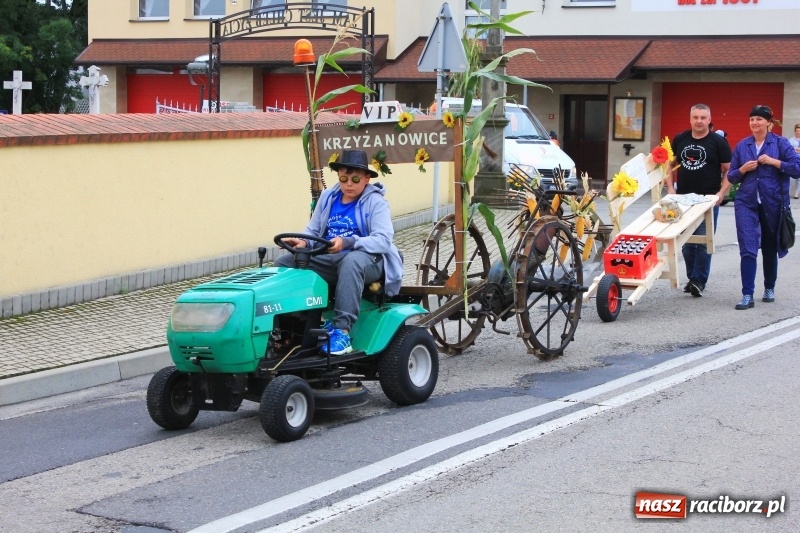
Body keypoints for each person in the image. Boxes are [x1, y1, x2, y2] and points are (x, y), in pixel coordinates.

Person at [274, 149, 403, 354]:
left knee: (351, 262)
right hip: (329, 257)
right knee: (285, 264)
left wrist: (348, 241)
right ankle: (292, 329)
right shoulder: (328, 197)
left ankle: (342, 331)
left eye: (354, 178)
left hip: (371, 260)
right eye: (344, 178)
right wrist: (303, 243)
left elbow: (383, 241)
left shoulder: (376, 202)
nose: (348, 184)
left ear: (367, 178)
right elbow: (313, 231)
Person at [727, 105, 800, 310]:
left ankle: (769, 287)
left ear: (769, 123)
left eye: (759, 119)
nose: (755, 123)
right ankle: (747, 295)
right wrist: (743, 169)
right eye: (752, 119)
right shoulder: (743, 145)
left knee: (769, 247)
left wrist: (775, 162)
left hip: (773, 203)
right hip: (746, 203)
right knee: (747, 248)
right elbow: (732, 176)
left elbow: (797, 169)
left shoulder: (780, 143)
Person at [666, 103, 732, 297]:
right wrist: (670, 188)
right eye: (696, 117)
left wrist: (721, 193)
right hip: (683, 200)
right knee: (686, 244)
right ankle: (692, 277)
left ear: (709, 120)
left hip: (708, 201)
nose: (699, 121)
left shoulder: (718, 142)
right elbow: (669, 165)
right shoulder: (680, 139)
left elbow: (729, 169)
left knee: (703, 242)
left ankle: (698, 280)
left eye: (703, 118)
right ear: (690, 119)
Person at [787, 123, 800, 199]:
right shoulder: (791, 140)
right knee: (791, 178)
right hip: (794, 161)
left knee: (799, 179)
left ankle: (796, 194)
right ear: (795, 131)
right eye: (797, 131)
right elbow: (789, 150)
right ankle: (787, 193)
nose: (798, 132)